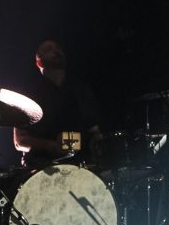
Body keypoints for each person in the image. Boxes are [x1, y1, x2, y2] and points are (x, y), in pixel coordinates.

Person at [13, 39, 103, 168]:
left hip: (81, 166)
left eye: (58, 48)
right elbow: (20, 142)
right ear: (39, 62)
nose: (56, 51)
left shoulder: (80, 88)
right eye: (49, 50)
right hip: (41, 168)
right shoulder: (28, 94)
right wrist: (51, 145)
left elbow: (95, 132)